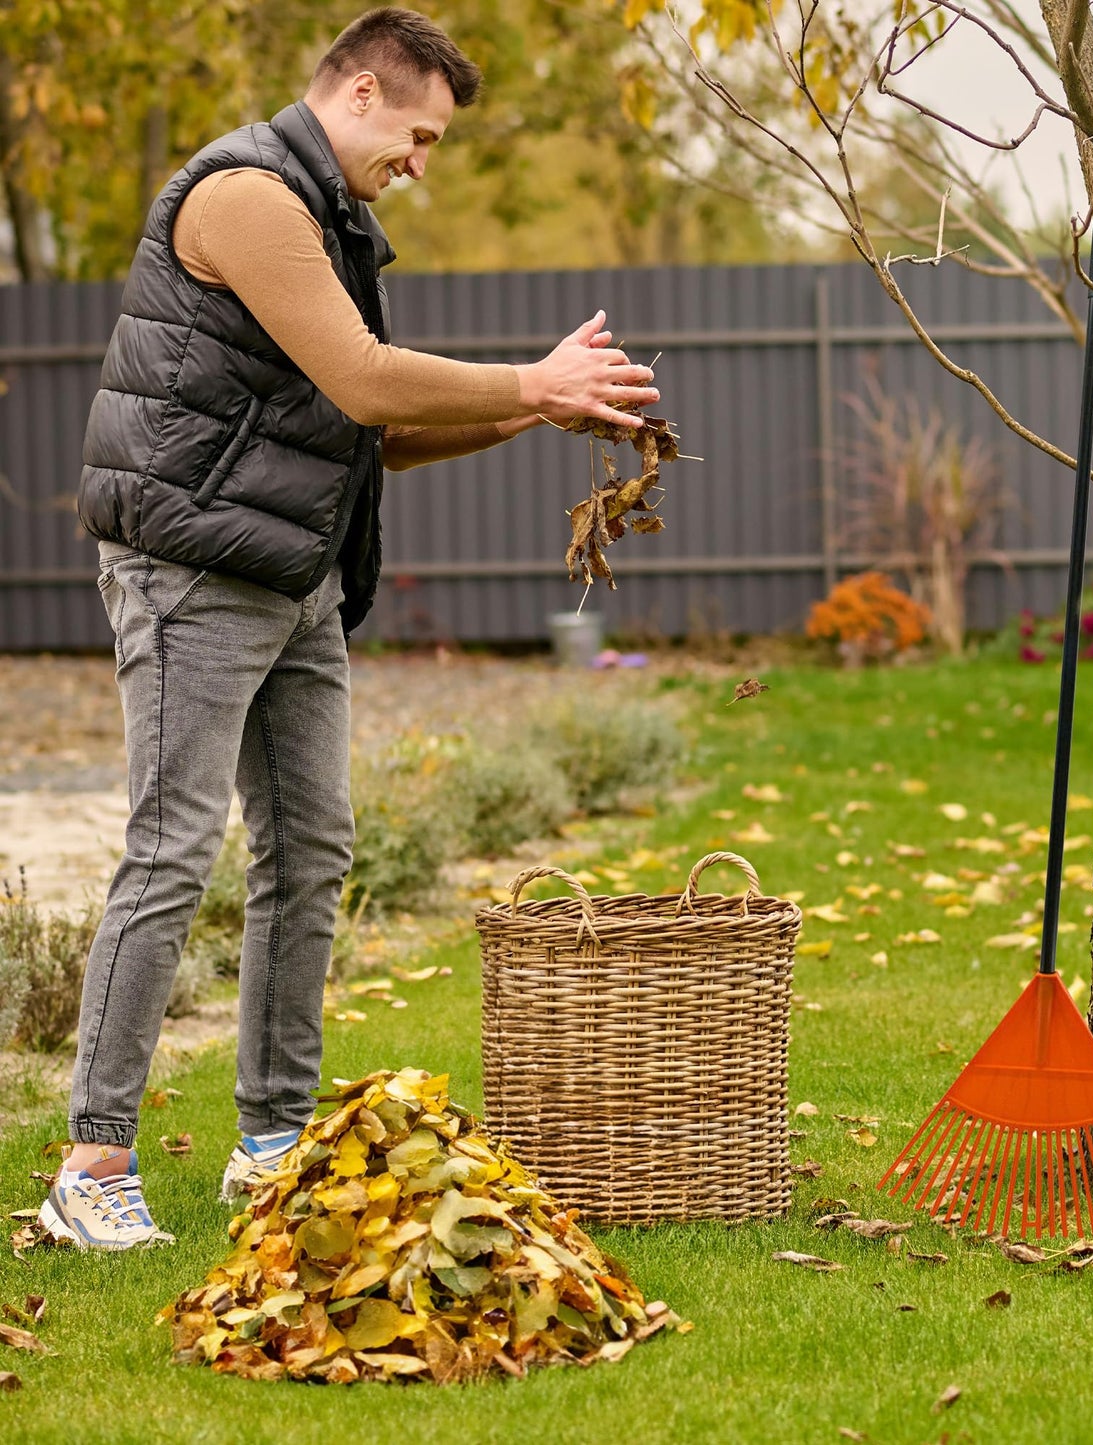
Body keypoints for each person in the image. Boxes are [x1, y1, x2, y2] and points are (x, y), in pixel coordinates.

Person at [40, 6, 659, 1251]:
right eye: (419, 134)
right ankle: (90, 1165)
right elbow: (367, 377)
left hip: (293, 574)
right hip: (191, 566)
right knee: (172, 850)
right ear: (362, 90)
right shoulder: (247, 197)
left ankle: (270, 1141)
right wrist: (531, 383)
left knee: (310, 849)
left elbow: (367, 434)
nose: (423, 162)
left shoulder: (330, 219)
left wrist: (536, 412)